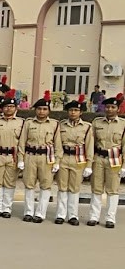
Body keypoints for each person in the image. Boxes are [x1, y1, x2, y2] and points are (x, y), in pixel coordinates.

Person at [18, 92, 62, 223]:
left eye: (44, 109)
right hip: (31, 156)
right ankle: (28, 212)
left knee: (45, 186)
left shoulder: (54, 124)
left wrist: (57, 161)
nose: (42, 111)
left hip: (46, 157)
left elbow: (57, 144)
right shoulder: (29, 123)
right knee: (29, 185)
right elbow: (22, 142)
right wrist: (21, 159)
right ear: (35, 110)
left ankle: (40, 213)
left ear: (48, 111)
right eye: (39, 109)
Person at [88, 95, 125, 228]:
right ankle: (94, 216)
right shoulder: (97, 123)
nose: (109, 109)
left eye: (113, 107)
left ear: (118, 109)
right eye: (108, 107)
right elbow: (91, 143)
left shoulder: (123, 124)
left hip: (114, 159)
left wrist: (124, 166)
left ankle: (110, 218)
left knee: (113, 190)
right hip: (99, 157)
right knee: (96, 188)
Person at [55, 97, 93, 225]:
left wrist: (89, 164)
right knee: (62, 187)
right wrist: (56, 160)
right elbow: (58, 144)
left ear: (81, 112)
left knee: (74, 188)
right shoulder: (61, 125)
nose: (73, 113)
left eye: (76, 110)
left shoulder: (87, 127)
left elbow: (89, 146)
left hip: (78, 159)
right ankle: (60, 214)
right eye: (71, 110)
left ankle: (73, 215)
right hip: (64, 157)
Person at [0, 93, 24, 218]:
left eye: (11, 106)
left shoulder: (21, 123)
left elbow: (22, 142)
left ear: (16, 108)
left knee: (10, 183)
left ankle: (7, 208)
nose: (8, 109)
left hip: (12, 156)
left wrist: (21, 159)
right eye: (6, 106)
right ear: (2, 108)